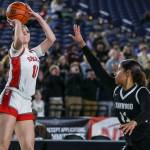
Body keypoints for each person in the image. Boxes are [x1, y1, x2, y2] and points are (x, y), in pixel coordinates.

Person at [69, 25, 150, 150]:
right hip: (131, 142)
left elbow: (147, 111)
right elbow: (98, 68)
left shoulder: (141, 91)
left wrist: (134, 122)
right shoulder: (116, 89)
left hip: (146, 142)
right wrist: (83, 45)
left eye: (118, 71)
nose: (115, 73)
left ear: (128, 73)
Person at [0, 5, 56, 150]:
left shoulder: (34, 53)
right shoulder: (15, 50)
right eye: (22, 31)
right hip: (11, 96)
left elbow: (51, 39)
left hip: (26, 101)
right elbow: (18, 40)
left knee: (28, 147)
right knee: (3, 144)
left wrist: (38, 17)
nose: (25, 32)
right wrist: (17, 21)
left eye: (27, 31)